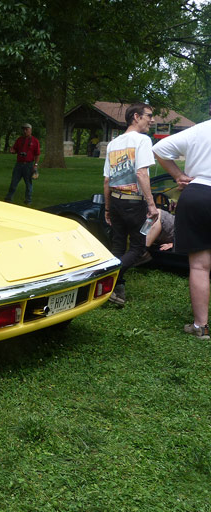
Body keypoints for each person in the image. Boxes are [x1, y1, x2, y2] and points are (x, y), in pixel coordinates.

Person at [153, 103, 211, 339]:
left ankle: (201, 326)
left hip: (197, 194)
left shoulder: (198, 130)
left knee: (199, 266)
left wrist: (178, 175)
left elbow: (158, 148)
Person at [103, 103, 159, 307]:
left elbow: (107, 180)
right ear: (136, 117)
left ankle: (117, 292)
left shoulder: (113, 144)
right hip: (134, 203)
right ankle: (107, 278)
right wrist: (152, 205)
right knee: (138, 247)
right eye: (149, 116)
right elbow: (141, 173)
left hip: (116, 202)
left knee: (118, 246)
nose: (152, 121)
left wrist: (108, 208)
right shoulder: (142, 140)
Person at [4, 123, 40, 205]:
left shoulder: (35, 141)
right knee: (14, 182)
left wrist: (35, 165)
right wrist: (12, 151)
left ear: (30, 130)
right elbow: (15, 150)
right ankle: (8, 199)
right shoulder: (19, 140)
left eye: (26, 129)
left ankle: (28, 200)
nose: (25, 131)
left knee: (28, 184)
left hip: (29, 165)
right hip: (19, 164)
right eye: (23, 129)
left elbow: (37, 154)